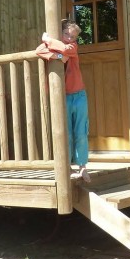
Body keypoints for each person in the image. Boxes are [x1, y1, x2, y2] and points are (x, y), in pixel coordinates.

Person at [35, 20, 89, 182]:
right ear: (61, 33)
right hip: (63, 96)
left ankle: (83, 166)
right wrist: (58, 56)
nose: (69, 38)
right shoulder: (56, 46)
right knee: (66, 133)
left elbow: (65, 49)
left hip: (79, 95)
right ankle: (67, 166)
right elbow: (39, 50)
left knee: (81, 131)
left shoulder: (72, 47)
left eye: (73, 36)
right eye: (66, 34)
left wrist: (48, 40)